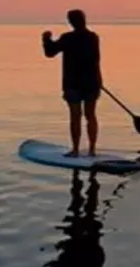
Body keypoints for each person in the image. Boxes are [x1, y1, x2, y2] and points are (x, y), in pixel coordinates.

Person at [42, 9, 102, 157]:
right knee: (90, 115)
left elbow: (50, 53)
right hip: (92, 82)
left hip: (73, 83)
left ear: (70, 22)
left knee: (76, 116)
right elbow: (94, 60)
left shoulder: (67, 38)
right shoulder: (93, 37)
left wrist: (46, 39)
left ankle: (75, 150)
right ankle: (92, 150)